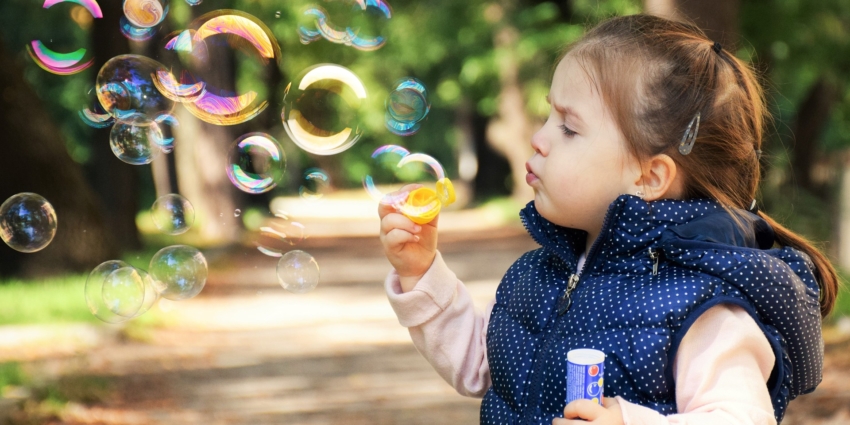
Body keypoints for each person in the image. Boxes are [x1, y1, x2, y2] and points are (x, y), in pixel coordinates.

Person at [378, 13, 836, 425]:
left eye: (569, 127)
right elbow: (485, 366)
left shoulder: (704, 303)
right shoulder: (542, 273)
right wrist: (422, 274)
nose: (538, 139)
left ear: (649, 175)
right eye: (547, 114)